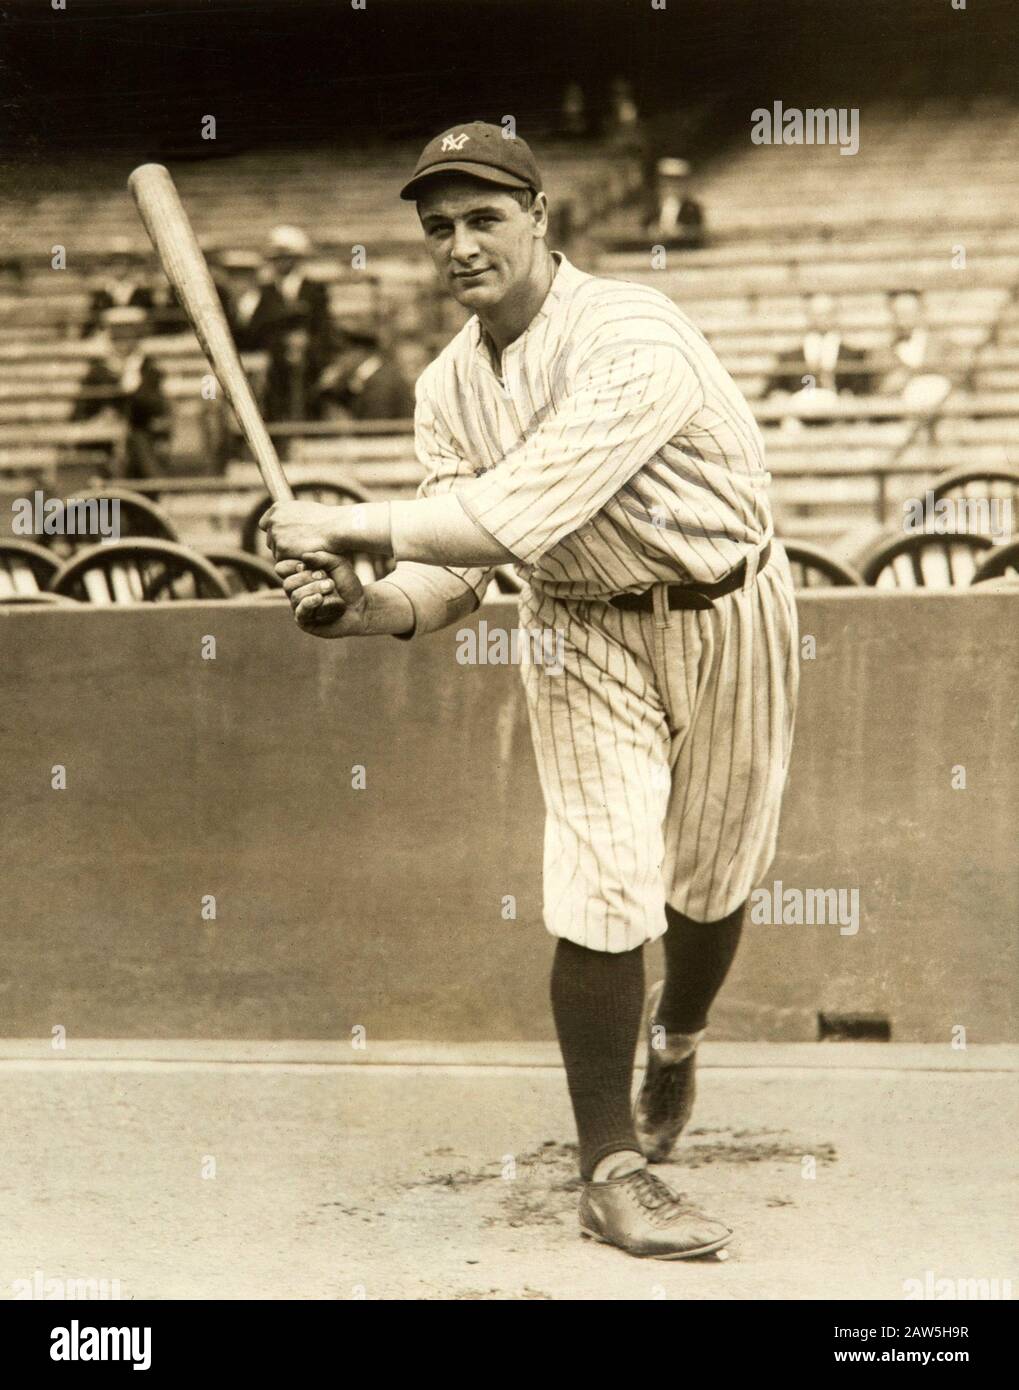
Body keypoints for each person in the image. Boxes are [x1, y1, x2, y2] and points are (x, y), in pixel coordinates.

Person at [261, 122, 799, 1261]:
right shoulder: (447, 385)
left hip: (729, 603)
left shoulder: (630, 333)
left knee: (712, 879)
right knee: (604, 877)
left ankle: (681, 1032)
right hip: (576, 631)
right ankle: (607, 1168)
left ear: (540, 218)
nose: (460, 244)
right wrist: (365, 604)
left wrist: (347, 518)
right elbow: (462, 566)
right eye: (438, 226)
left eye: (484, 217)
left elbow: (519, 510)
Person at [245, 226, 332, 420]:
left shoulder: (314, 290)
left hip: (309, 368)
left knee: (310, 412)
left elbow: (324, 328)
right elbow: (255, 329)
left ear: (296, 259)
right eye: (275, 258)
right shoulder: (266, 292)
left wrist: (308, 348)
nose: (280, 263)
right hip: (276, 369)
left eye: (285, 257)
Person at [73, 306, 168, 478]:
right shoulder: (98, 370)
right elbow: (79, 411)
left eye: (129, 336)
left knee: (138, 443)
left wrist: (134, 389)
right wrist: (101, 417)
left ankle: (155, 488)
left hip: (141, 437)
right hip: (103, 442)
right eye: (118, 337)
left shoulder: (149, 369)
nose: (123, 342)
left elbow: (158, 407)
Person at [766, 291, 876, 421]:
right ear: (808, 315)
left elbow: (864, 394)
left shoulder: (853, 355)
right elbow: (771, 392)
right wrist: (781, 399)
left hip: (839, 424)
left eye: (827, 313)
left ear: (835, 315)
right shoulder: (789, 356)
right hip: (799, 424)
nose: (822, 318)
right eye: (817, 314)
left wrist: (851, 399)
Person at [643, 157, 707, 249]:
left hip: (684, 255)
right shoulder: (653, 208)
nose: (671, 188)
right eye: (667, 183)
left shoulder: (693, 209)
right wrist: (652, 230)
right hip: (659, 256)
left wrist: (681, 232)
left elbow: (698, 234)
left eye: (676, 183)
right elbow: (644, 229)